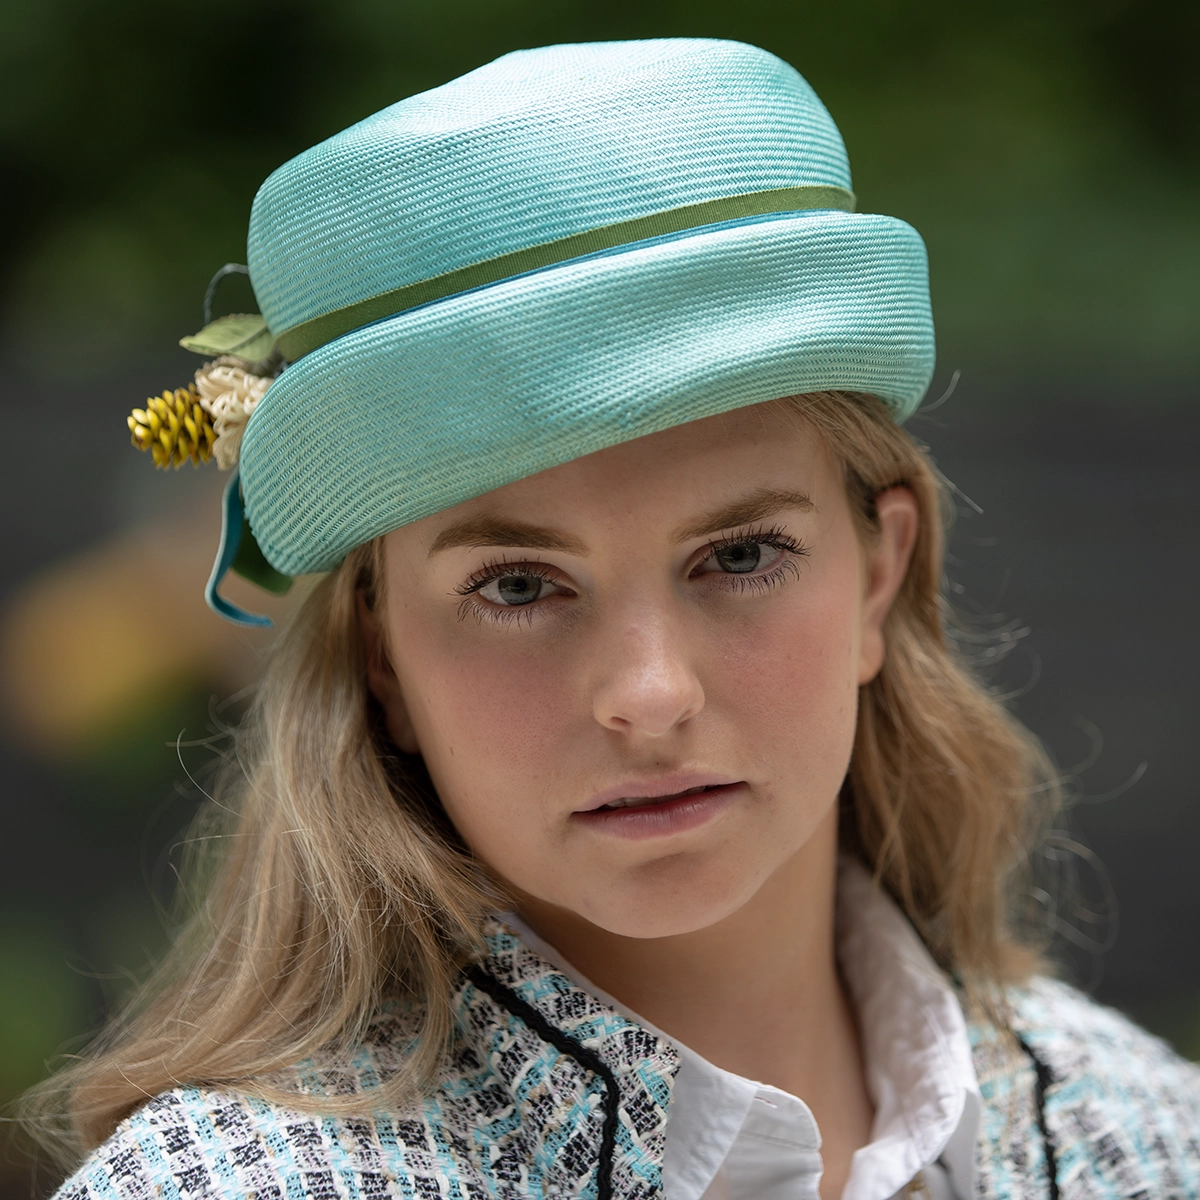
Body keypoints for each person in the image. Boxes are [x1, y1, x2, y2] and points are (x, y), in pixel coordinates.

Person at [26, 37, 1200, 1200]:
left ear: (879, 576)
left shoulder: (1149, 1143)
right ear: (382, 658)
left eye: (741, 555)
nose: (649, 693)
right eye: (519, 586)